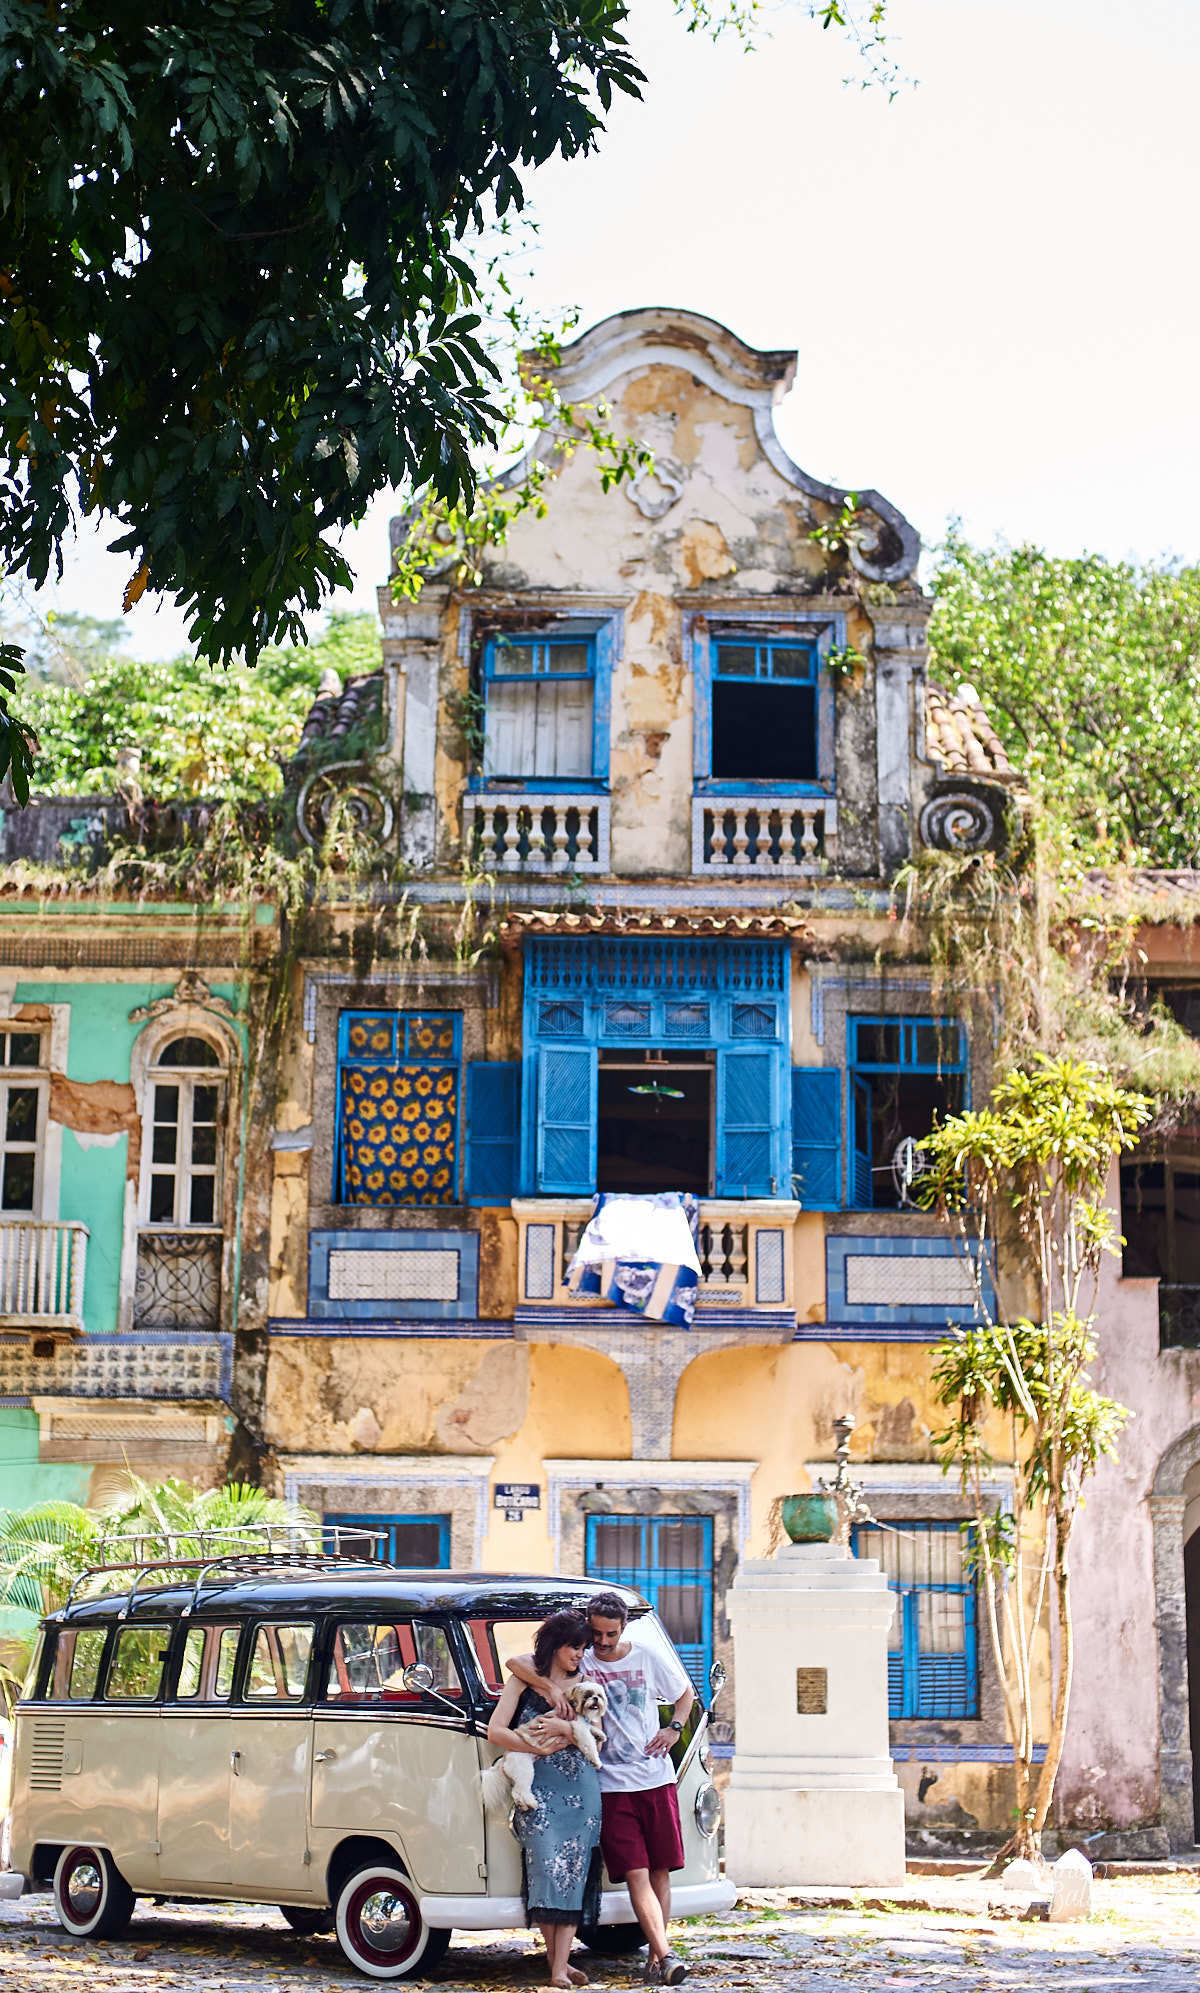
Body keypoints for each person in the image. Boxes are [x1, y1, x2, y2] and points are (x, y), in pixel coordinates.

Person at [509, 1592, 696, 1987]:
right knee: (636, 1873)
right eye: (597, 1634)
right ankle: (666, 1956)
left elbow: (685, 1694)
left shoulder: (646, 1656)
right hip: (610, 1783)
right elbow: (517, 1663)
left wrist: (674, 1728)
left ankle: (657, 1957)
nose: (603, 1642)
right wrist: (551, 1690)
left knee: (661, 1871)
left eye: (611, 1634)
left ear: (624, 1628)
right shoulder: (582, 1658)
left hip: (656, 1778)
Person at [487, 1609, 603, 1989]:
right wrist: (536, 1746)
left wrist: (565, 1728)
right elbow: (495, 1732)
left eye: (583, 1648)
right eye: (574, 1647)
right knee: (547, 1872)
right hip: (537, 1790)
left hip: (580, 1792)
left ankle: (559, 1967)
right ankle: (558, 1963)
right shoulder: (523, 1680)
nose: (579, 1655)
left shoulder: (587, 1685)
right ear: (555, 1645)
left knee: (573, 1874)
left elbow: (599, 1739)